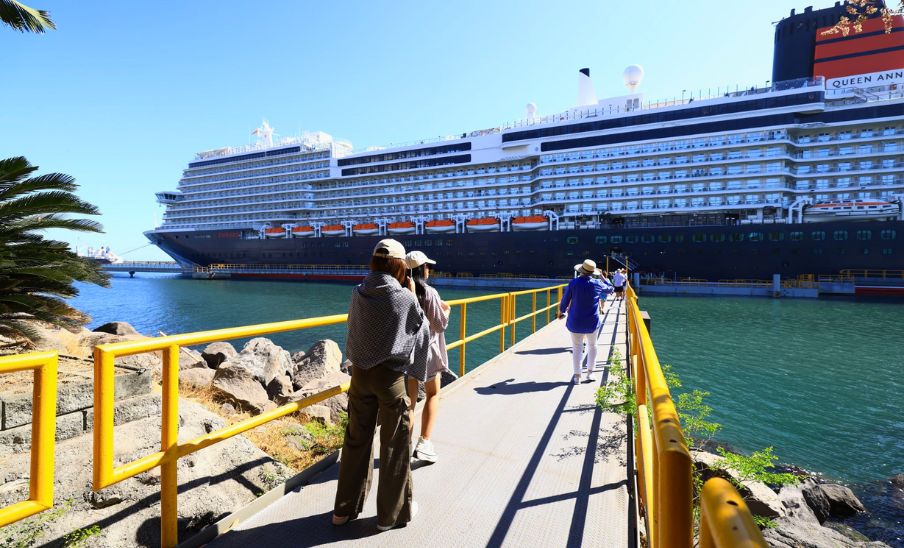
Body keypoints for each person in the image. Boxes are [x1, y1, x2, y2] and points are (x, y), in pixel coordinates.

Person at [333, 239, 430, 531]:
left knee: (355, 442)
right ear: (400, 266)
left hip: (360, 376)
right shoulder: (404, 297)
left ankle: (343, 511)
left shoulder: (358, 292)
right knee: (394, 446)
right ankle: (390, 516)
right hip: (390, 380)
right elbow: (421, 332)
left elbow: (353, 327)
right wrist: (417, 383)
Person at [405, 250, 451, 463]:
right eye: (427, 267)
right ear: (423, 270)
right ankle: (424, 442)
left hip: (406, 352)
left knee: (409, 402)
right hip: (428, 350)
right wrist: (447, 310)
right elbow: (439, 325)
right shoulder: (430, 292)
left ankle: (404, 446)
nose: (429, 270)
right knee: (433, 394)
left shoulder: (401, 291)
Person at [557, 259, 613, 384]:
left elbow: (565, 300)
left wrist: (562, 311)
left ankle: (577, 376)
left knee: (577, 347)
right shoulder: (598, 283)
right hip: (592, 322)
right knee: (593, 346)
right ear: (593, 272)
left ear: (581, 270)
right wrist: (604, 278)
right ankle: (590, 373)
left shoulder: (574, 283)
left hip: (575, 321)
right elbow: (611, 289)